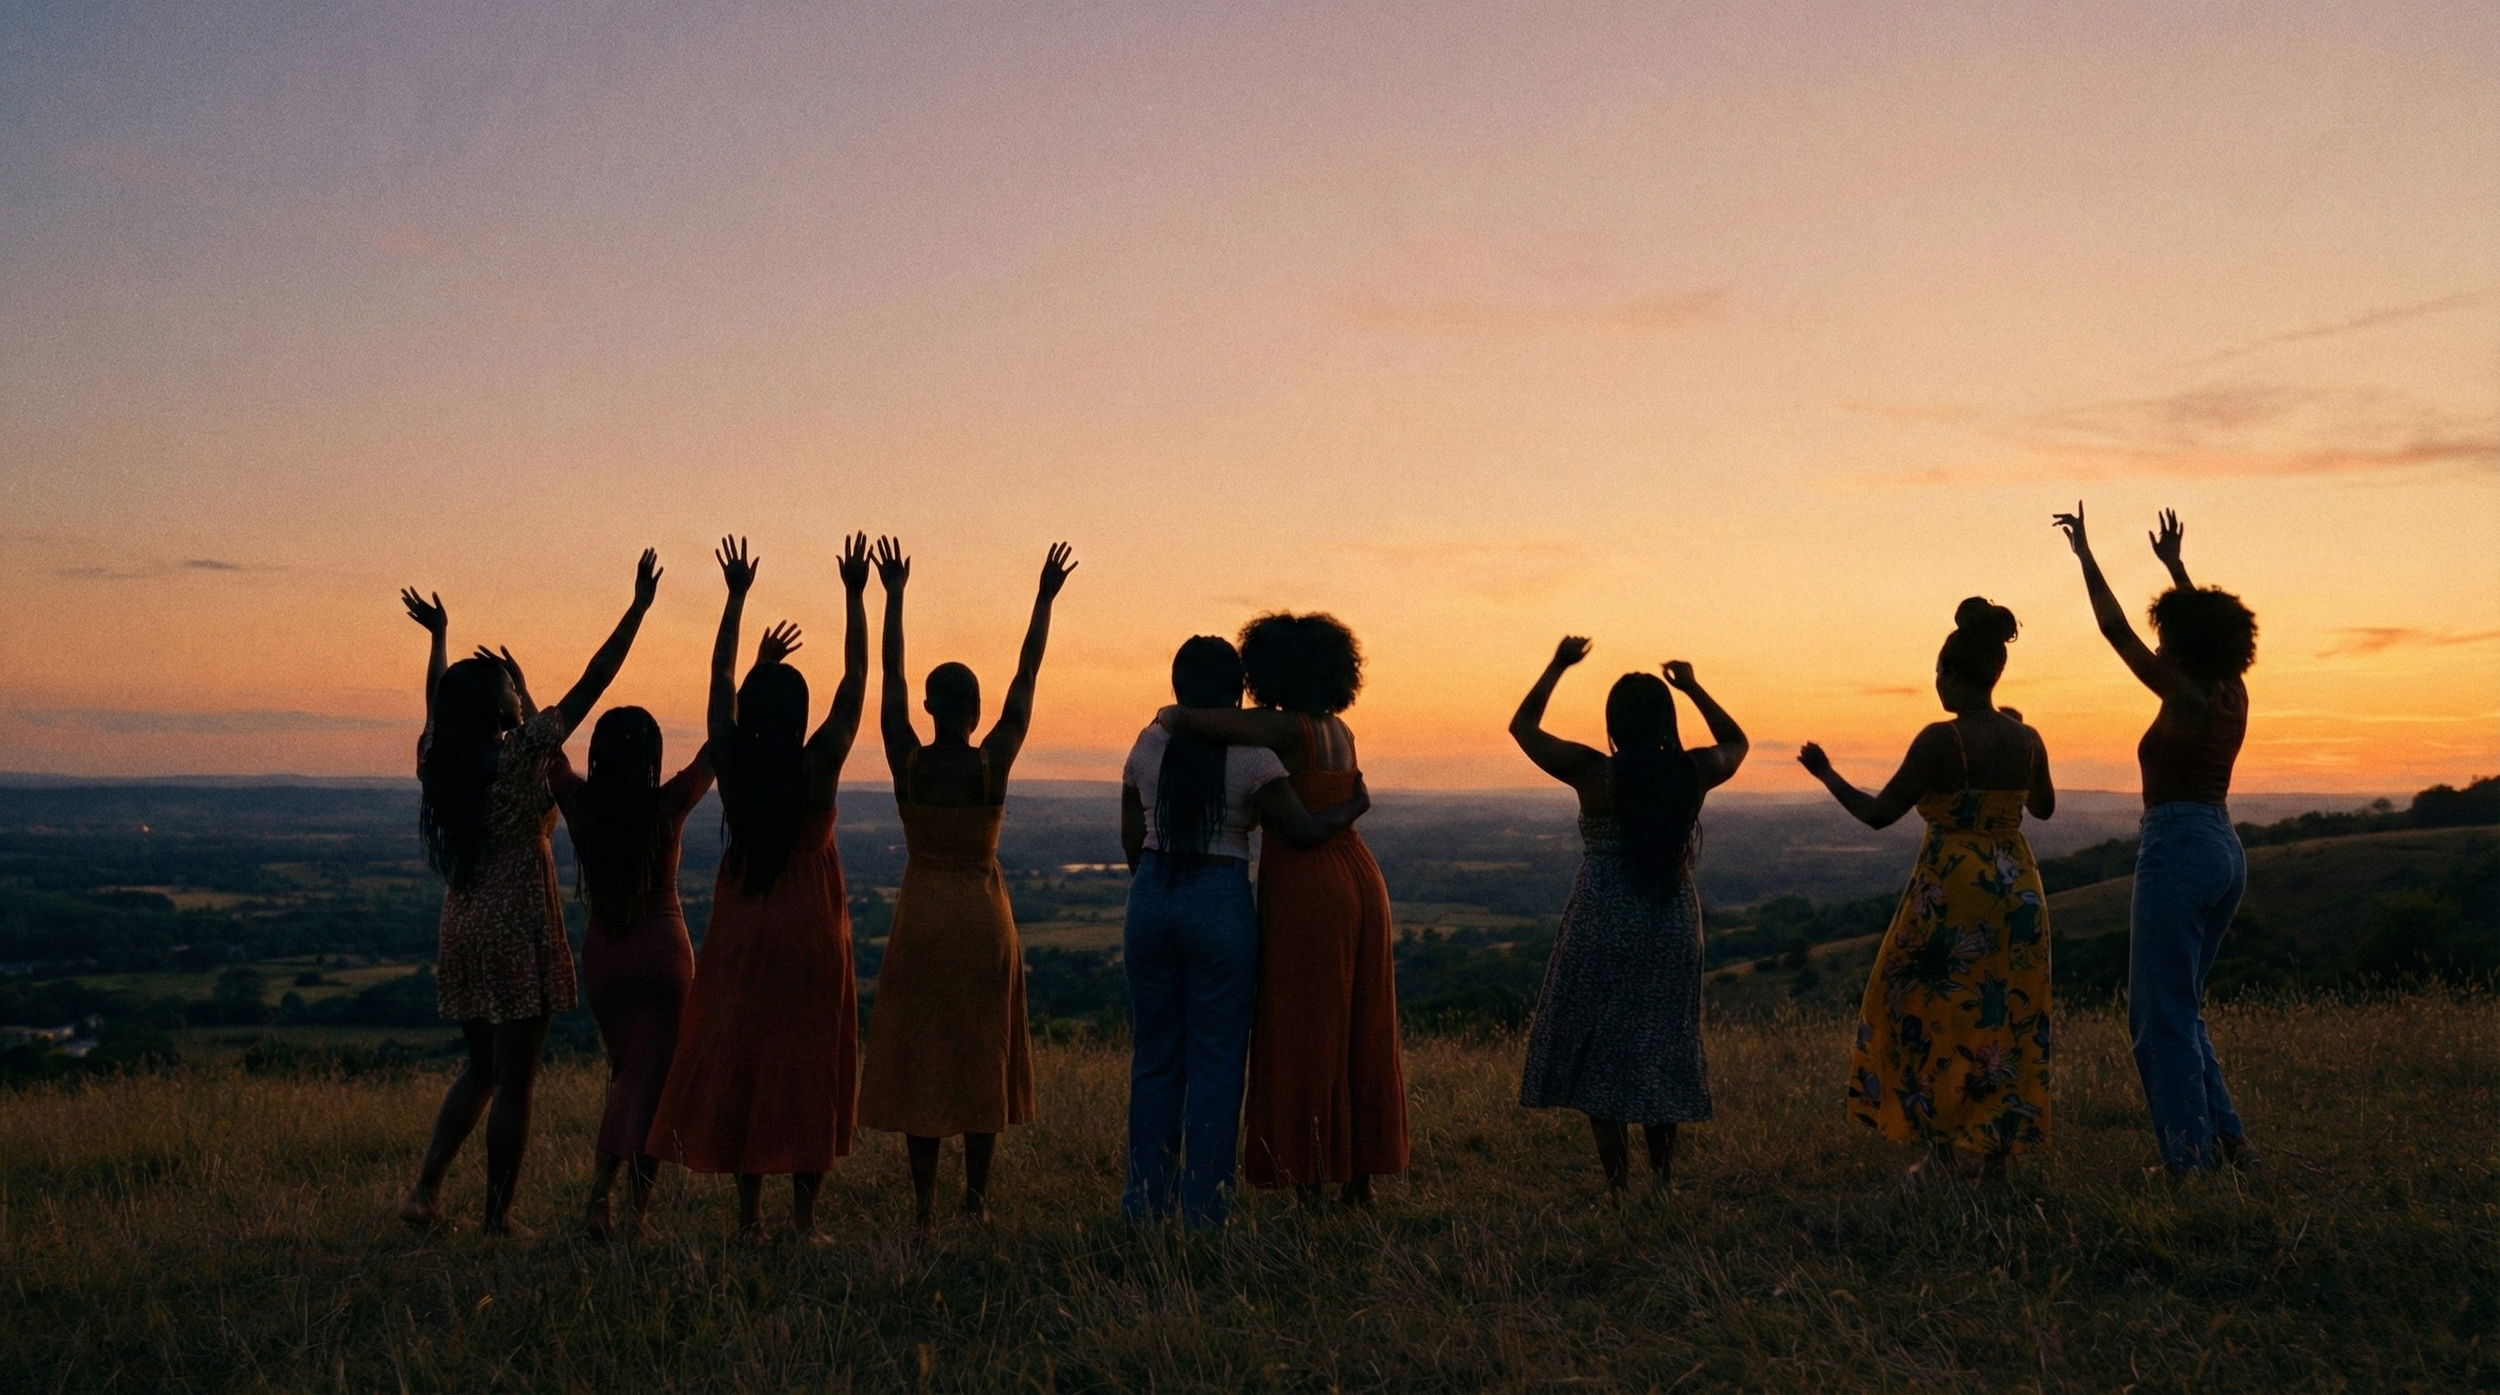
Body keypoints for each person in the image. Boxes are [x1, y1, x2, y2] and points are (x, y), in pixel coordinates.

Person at [396, 550, 661, 1235]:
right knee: (516, 1080)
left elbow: (437, 700)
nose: (519, 694)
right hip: (517, 920)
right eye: (510, 690)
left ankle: (425, 1191)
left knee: (480, 1068)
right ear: (498, 706)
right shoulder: (522, 754)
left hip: (464, 917)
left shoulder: (439, 757)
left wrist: (440, 639)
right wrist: (637, 608)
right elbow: (596, 679)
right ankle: (498, 1217)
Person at [645, 534, 871, 1244]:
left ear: (749, 712)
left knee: (747, 1059)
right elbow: (855, 681)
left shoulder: (733, 761)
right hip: (809, 926)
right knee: (805, 1066)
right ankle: (803, 1222)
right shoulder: (818, 765)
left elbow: (718, 678)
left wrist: (736, 598)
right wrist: (857, 595)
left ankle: (749, 1220)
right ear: (800, 715)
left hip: (743, 919)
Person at [857, 538, 1076, 1228]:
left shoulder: (907, 759)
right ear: (976, 711)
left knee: (922, 1053)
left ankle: (924, 1208)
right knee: (983, 1052)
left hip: (921, 915)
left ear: (928, 707)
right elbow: (1027, 675)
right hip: (984, 918)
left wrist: (891, 597)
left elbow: (889, 676)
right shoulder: (991, 763)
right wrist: (1043, 598)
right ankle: (975, 1203)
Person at [1798, 599, 2056, 1182]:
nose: (1936, 682)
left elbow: (1877, 815)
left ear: (1953, 673)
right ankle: (1994, 1159)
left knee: (1926, 1012)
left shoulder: (1941, 740)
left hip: (1952, 889)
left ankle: (1939, 1152)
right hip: (2018, 891)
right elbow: (2043, 808)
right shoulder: (2028, 738)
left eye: (1938, 671)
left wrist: (1827, 773)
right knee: (2004, 1020)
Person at [1119, 636, 1372, 1227]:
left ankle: (1145, 1207)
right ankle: (1205, 1211)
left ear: (1178, 685)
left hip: (1152, 891)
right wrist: (1355, 806)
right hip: (1219, 892)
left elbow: (1131, 835)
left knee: (1154, 1059)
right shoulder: (1254, 757)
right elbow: (1302, 831)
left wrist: (1158, 887)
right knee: (1216, 1063)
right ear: (1237, 692)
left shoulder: (1147, 742)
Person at [1159, 611, 1405, 1206]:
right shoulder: (1339, 729)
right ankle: (1360, 1182)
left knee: (1306, 1027)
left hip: (1309, 883)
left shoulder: (1285, 729)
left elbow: (1191, 720)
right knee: (1361, 1025)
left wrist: (1169, 711)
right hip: (1359, 875)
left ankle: (1310, 1180)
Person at [2054, 504, 2258, 1173]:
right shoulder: (2231, 689)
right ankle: (2227, 1142)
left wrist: (2086, 556)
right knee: (2182, 1007)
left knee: (2156, 1019)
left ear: (2184, 646)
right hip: (2223, 846)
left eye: (2169, 635)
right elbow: (2206, 632)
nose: (2161, 644)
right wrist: (2176, 568)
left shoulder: (2186, 697)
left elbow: (2116, 631)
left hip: (2178, 845)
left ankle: (2188, 1162)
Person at [1509, 640, 1747, 1193]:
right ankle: (1663, 1179)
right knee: (1663, 1041)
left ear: (1614, 723)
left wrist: (1558, 665)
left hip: (1602, 916)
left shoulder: (1594, 772)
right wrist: (1693, 687)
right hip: (1670, 917)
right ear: (1667, 720)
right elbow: (1736, 742)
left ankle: (1617, 1183)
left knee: (1601, 1046)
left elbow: (1523, 728)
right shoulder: (1692, 772)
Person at [549, 707, 711, 1240]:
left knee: (627, 1076)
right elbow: (717, 748)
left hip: (606, 957)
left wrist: (525, 696)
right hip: (662, 957)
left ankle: (601, 1204)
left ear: (599, 755)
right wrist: (748, 674)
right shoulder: (667, 803)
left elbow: (548, 752)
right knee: (653, 1085)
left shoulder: (579, 804)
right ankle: (629, 1212)